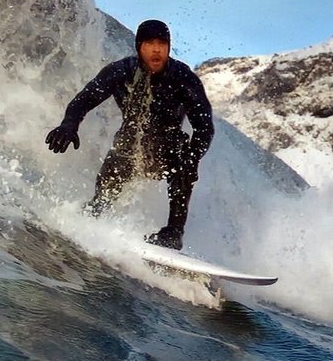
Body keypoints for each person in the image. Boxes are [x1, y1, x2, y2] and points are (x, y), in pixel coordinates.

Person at [45, 19, 214, 251]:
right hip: (130, 143)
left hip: (168, 149)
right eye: (150, 43)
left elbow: (204, 126)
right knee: (105, 191)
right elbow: (85, 99)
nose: (157, 50)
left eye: (162, 44)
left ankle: (174, 232)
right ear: (138, 46)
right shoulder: (121, 71)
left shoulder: (183, 78)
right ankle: (94, 216)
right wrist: (69, 125)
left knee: (185, 155)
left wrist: (194, 156)